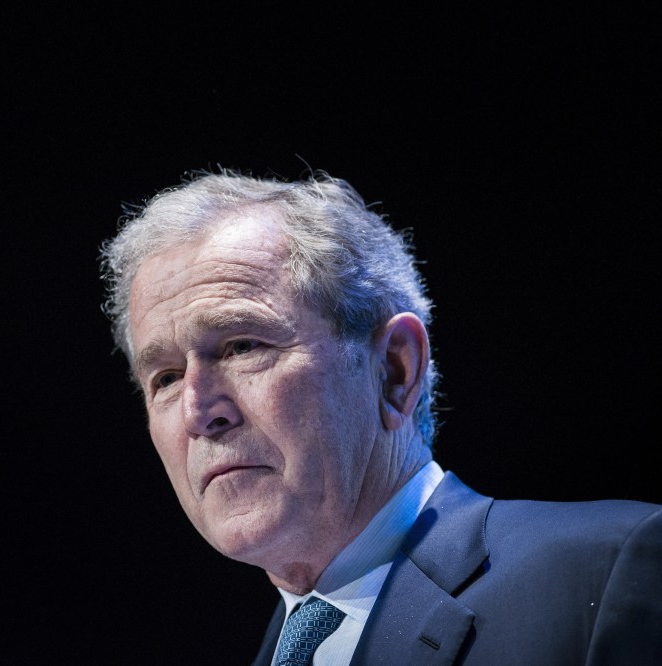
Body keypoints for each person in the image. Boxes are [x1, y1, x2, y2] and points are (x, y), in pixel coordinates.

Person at [97, 167, 662, 665]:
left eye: (243, 346)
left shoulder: (606, 570)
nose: (199, 410)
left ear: (395, 370)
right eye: (165, 378)